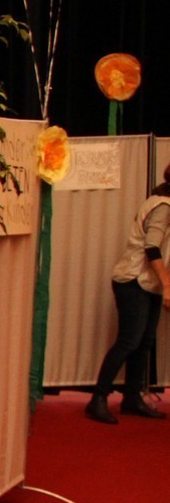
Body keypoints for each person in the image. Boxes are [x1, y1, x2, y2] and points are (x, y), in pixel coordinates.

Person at [86, 161, 170, 423]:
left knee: (144, 342)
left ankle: (132, 398)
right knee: (129, 341)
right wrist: (167, 285)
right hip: (133, 280)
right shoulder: (164, 207)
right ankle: (98, 398)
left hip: (148, 282)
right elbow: (152, 247)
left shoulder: (161, 202)